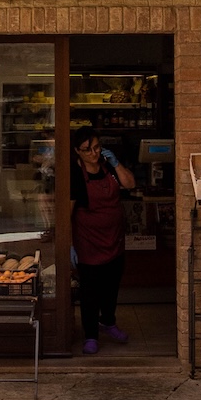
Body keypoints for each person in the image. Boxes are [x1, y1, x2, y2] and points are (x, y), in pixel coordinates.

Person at [70, 125, 136, 354]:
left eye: (97, 147)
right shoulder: (75, 175)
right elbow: (68, 211)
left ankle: (108, 322)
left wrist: (117, 163)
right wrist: (70, 244)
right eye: (87, 149)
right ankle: (90, 335)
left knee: (111, 286)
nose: (93, 153)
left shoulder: (109, 166)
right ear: (77, 151)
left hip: (114, 239)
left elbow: (130, 184)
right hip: (88, 242)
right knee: (90, 291)